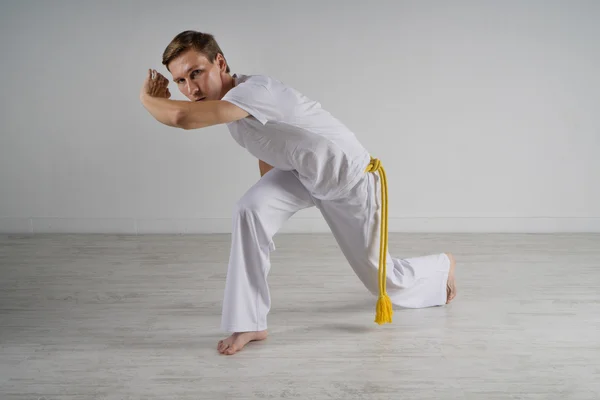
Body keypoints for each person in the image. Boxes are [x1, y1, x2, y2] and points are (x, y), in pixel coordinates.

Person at [140, 31, 457, 356]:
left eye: (196, 73)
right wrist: (271, 208)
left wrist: (149, 99)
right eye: (179, 80)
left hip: (348, 179)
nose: (190, 89)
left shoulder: (254, 91)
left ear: (219, 62)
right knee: (250, 209)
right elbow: (269, 146)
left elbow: (181, 117)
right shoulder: (230, 109)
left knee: (383, 280)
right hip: (303, 175)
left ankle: (440, 266)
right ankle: (250, 322)